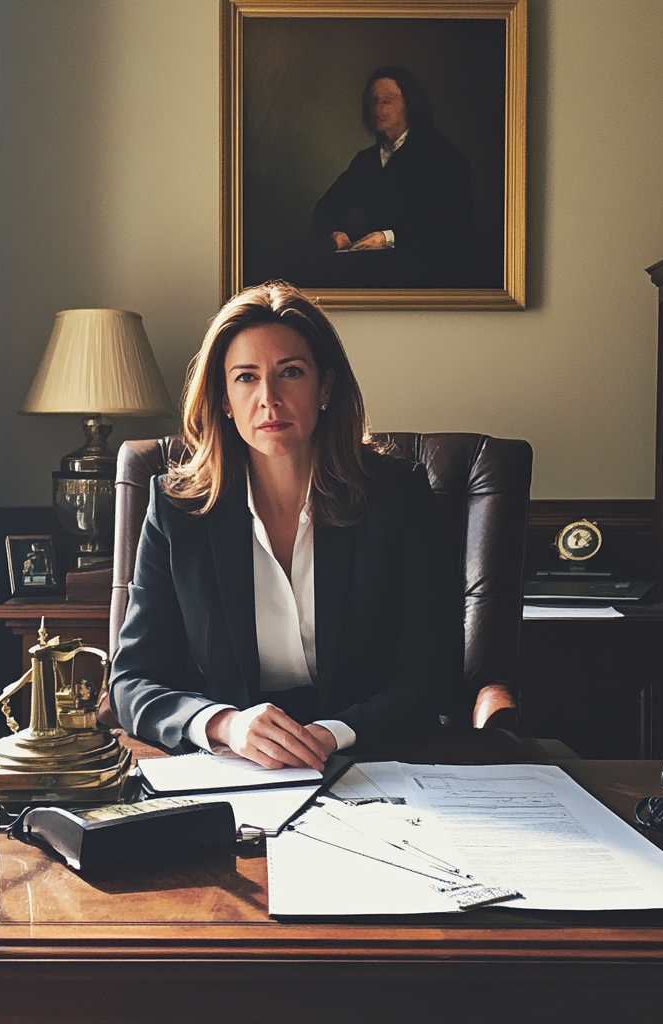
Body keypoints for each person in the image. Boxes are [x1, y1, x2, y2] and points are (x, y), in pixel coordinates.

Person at [110, 282, 460, 769]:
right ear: (225, 399)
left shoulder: (397, 497)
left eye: (290, 373)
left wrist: (333, 734)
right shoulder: (177, 510)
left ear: (326, 388)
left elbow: (432, 676)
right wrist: (223, 724)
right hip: (236, 769)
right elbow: (133, 682)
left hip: (376, 759)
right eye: (246, 378)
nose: (268, 399)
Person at [312, 66, 473, 289]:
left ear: (409, 104)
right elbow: (325, 209)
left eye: (387, 100)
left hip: (431, 279)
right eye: (373, 101)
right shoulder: (366, 161)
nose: (378, 108)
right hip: (378, 278)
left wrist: (388, 238)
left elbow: (450, 225)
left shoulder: (440, 155)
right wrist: (336, 233)